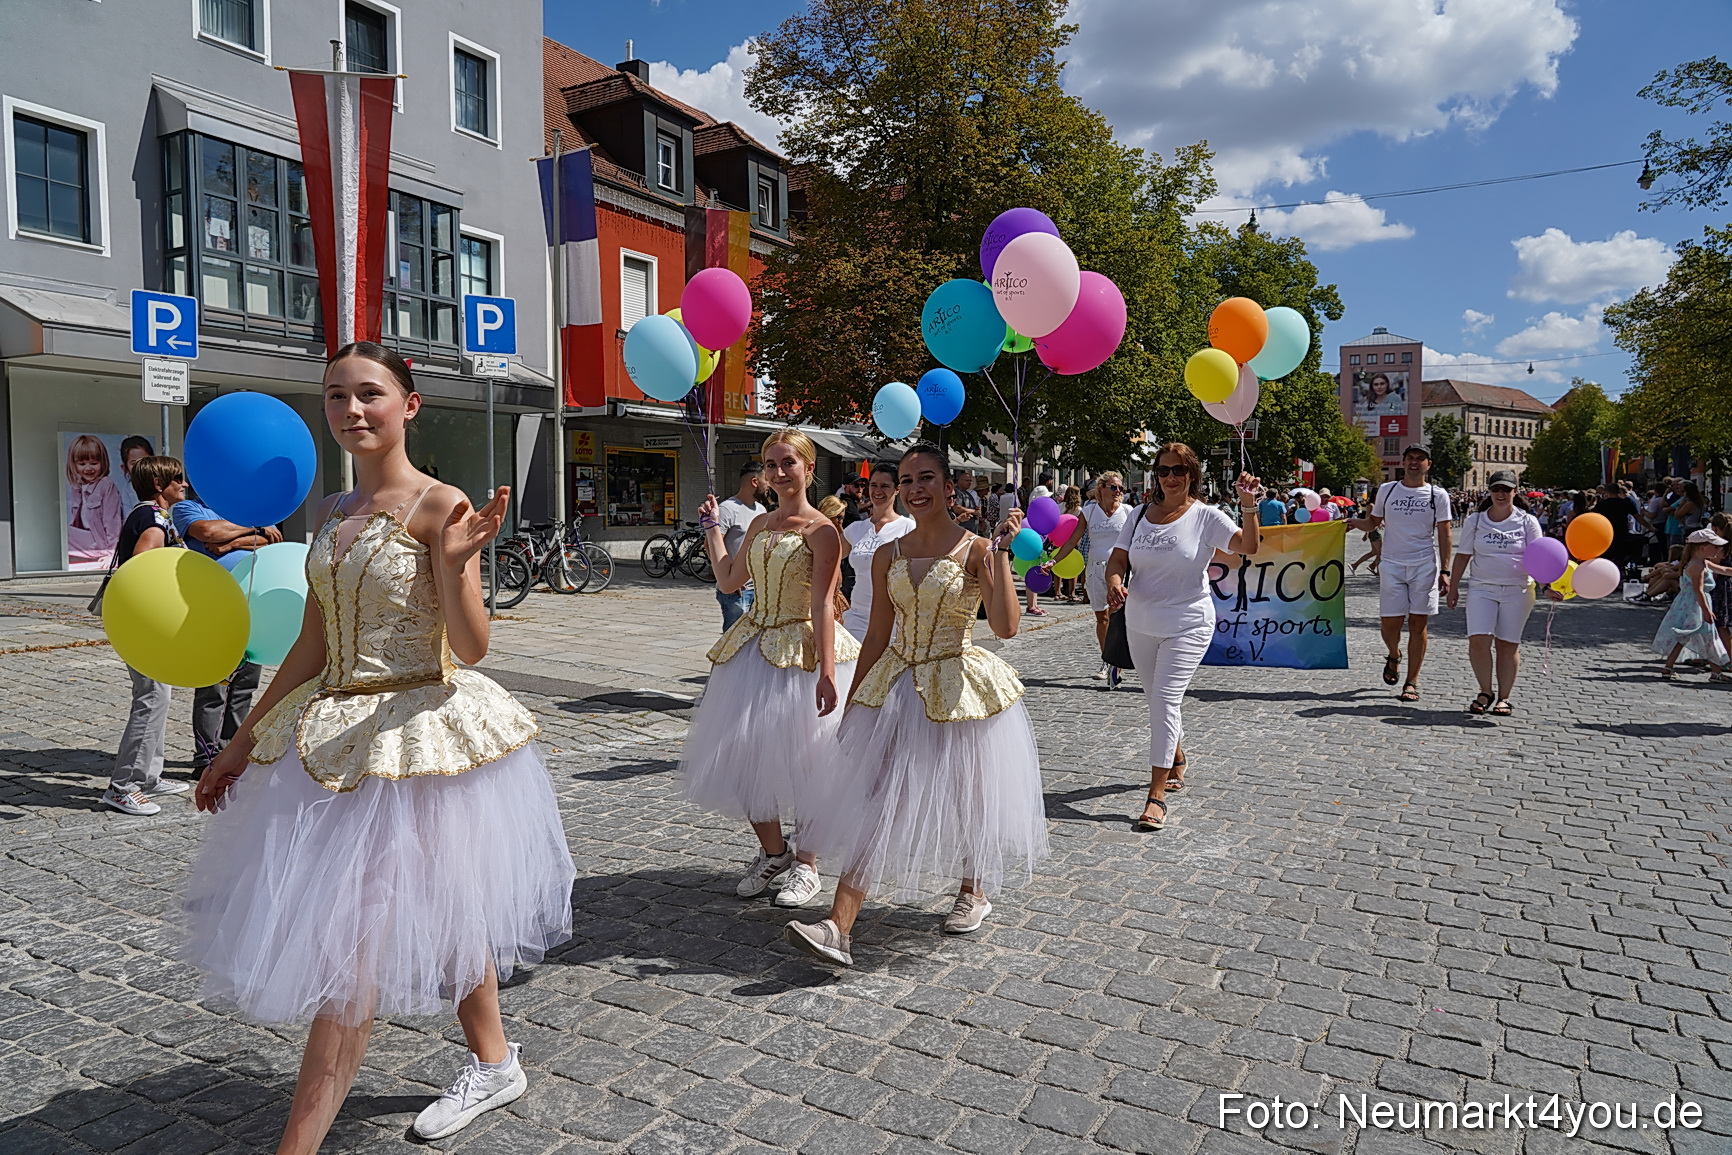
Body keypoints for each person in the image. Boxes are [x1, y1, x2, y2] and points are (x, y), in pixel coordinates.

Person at [186, 342, 575, 1151]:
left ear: (410, 404)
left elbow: (471, 647)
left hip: (422, 737)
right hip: (336, 739)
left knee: (348, 953)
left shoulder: (441, 504)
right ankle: (497, 1059)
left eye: (369, 393)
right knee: (448, 905)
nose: (351, 410)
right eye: (336, 396)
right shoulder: (329, 512)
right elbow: (310, 644)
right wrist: (238, 743)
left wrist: (461, 564)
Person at [784, 442, 1044, 965]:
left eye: (926, 478)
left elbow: (1006, 627)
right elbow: (878, 635)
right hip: (898, 684)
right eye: (906, 480)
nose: (915, 488)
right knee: (877, 798)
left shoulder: (975, 549)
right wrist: (854, 704)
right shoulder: (888, 554)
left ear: (949, 486)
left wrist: (1001, 557)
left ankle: (974, 889)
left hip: (959, 684)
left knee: (968, 794)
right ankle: (839, 925)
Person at [688, 429, 860, 909]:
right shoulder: (762, 525)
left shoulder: (822, 531)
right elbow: (728, 578)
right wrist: (713, 530)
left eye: (788, 463)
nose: (779, 472)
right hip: (753, 648)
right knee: (743, 759)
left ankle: (807, 864)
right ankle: (774, 852)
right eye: (771, 464)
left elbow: (824, 604)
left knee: (810, 764)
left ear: (808, 467)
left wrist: (827, 671)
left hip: (803, 652)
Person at [1106, 446, 1263, 831]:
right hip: (1140, 622)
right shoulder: (1140, 514)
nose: (1170, 477)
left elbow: (1249, 546)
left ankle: (1155, 795)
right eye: (1163, 471)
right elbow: (1119, 558)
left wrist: (1247, 506)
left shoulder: (1206, 516)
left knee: (1164, 699)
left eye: (1178, 470)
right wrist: (1112, 580)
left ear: (1192, 474)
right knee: (1155, 700)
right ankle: (1176, 755)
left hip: (1188, 623)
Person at [104, 456, 194, 816]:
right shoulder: (154, 520)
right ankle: (123, 786)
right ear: (159, 485)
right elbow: (144, 567)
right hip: (144, 624)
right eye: (178, 479)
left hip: (142, 622)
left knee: (159, 695)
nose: (184, 485)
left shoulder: (148, 515)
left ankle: (149, 776)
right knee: (152, 698)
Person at [173, 491, 281, 773]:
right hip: (212, 609)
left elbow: (271, 539)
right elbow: (208, 531)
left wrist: (228, 542)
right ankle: (206, 757)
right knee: (213, 688)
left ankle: (232, 750)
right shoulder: (188, 508)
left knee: (245, 684)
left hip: (249, 608)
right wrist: (252, 530)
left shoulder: (244, 506)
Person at [1346, 445, 1452, 703]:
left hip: (1424, 565)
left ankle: (1411, 681)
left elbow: (1445, 533)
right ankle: (1394, 653)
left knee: (1418, 624)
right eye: (1410, 459)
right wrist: (1352, 523)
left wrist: (1446, 570)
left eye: (1420, 459)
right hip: (1392, 564)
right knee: (1389, 624)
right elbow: (1373, 522)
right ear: (1403, 463)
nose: (1414, 463)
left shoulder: (1437, 495)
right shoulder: (1388, 489)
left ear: (1429, 464)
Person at [1445, 472, 1550, 717]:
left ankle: (1504, 697)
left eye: (1506, 490)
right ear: (1489, 492)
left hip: (1517, 590)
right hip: (1482, 588)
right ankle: (1485, 691)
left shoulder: (1527, 521)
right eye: (1496, 490)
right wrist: (1453, 587)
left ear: (1515, 491)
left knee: (1507, 644)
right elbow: (1463, 555)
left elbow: (1539, 557)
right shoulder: (1476, 521)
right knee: (1478, 640)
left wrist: (1547, 586)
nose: (1500, 495)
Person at [1055, 471, 1131, 686]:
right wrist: (1055, 561)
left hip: (1119, 572)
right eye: (1113, 487)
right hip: (1094, 569)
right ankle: (1107, 659)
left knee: (1117, 616)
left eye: (1120, 488)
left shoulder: (1127, 512)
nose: (1118, 492)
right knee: (1102, 618)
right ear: (1102, 489)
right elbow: (1071, 542)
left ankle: (1116, 661)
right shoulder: (1089, 512)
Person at [841, 462, 915, 642]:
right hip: (857, 617)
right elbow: (828, 561)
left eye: (885, 486)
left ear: (897, 489)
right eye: (873, 485)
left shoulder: (908, 528)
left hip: (894, 619)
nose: (878, 491)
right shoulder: (855, 529)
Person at [1654, 528, 1731, 681]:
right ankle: (1716, 673)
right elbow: (1699, 590)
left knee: (1686, 636)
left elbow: (1724, 569)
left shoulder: (1701, 562)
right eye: (1715, 546)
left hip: (1690, 604)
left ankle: (1668, 667)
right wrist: (1707, 611)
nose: (1718, 549)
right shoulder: (1698, 566)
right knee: (1709, 637)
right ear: (1702, 547)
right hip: (1696, 606)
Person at [714, 462, 767, 631]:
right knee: (733, 641)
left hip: (758, 588)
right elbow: (711, 545)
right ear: (754, 481)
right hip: (737, 591)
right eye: (766, 479)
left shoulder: (761, 510)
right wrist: (730, 578)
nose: (769, 484)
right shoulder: (728, 509)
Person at [65, 433, 128, 566]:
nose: (88, 468)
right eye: (82, 464)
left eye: (94, 463)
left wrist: (111, 553)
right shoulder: (77, 486)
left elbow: (112, 524)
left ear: (102, 462)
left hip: (101, 543)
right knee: (62, 532)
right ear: (74, 465)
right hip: (88, 538)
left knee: (65, 533)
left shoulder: (106, 485)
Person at [1057, 486, 1085, 603]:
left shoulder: (1059, 506)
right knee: (1073, 564)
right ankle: (1071, 593)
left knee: (1057, 562)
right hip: (1073, 539)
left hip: (1059, 538)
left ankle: (1057, 591)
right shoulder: (1079, 510)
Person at [950, 469, 981, 534]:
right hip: (962, 529)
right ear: (960, 481)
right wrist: (974, 512)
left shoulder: (967, 493)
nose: (970, 483)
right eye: (967, 480)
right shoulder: (957, 492)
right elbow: (957, 508)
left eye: (970, 481)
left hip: (971, 530)